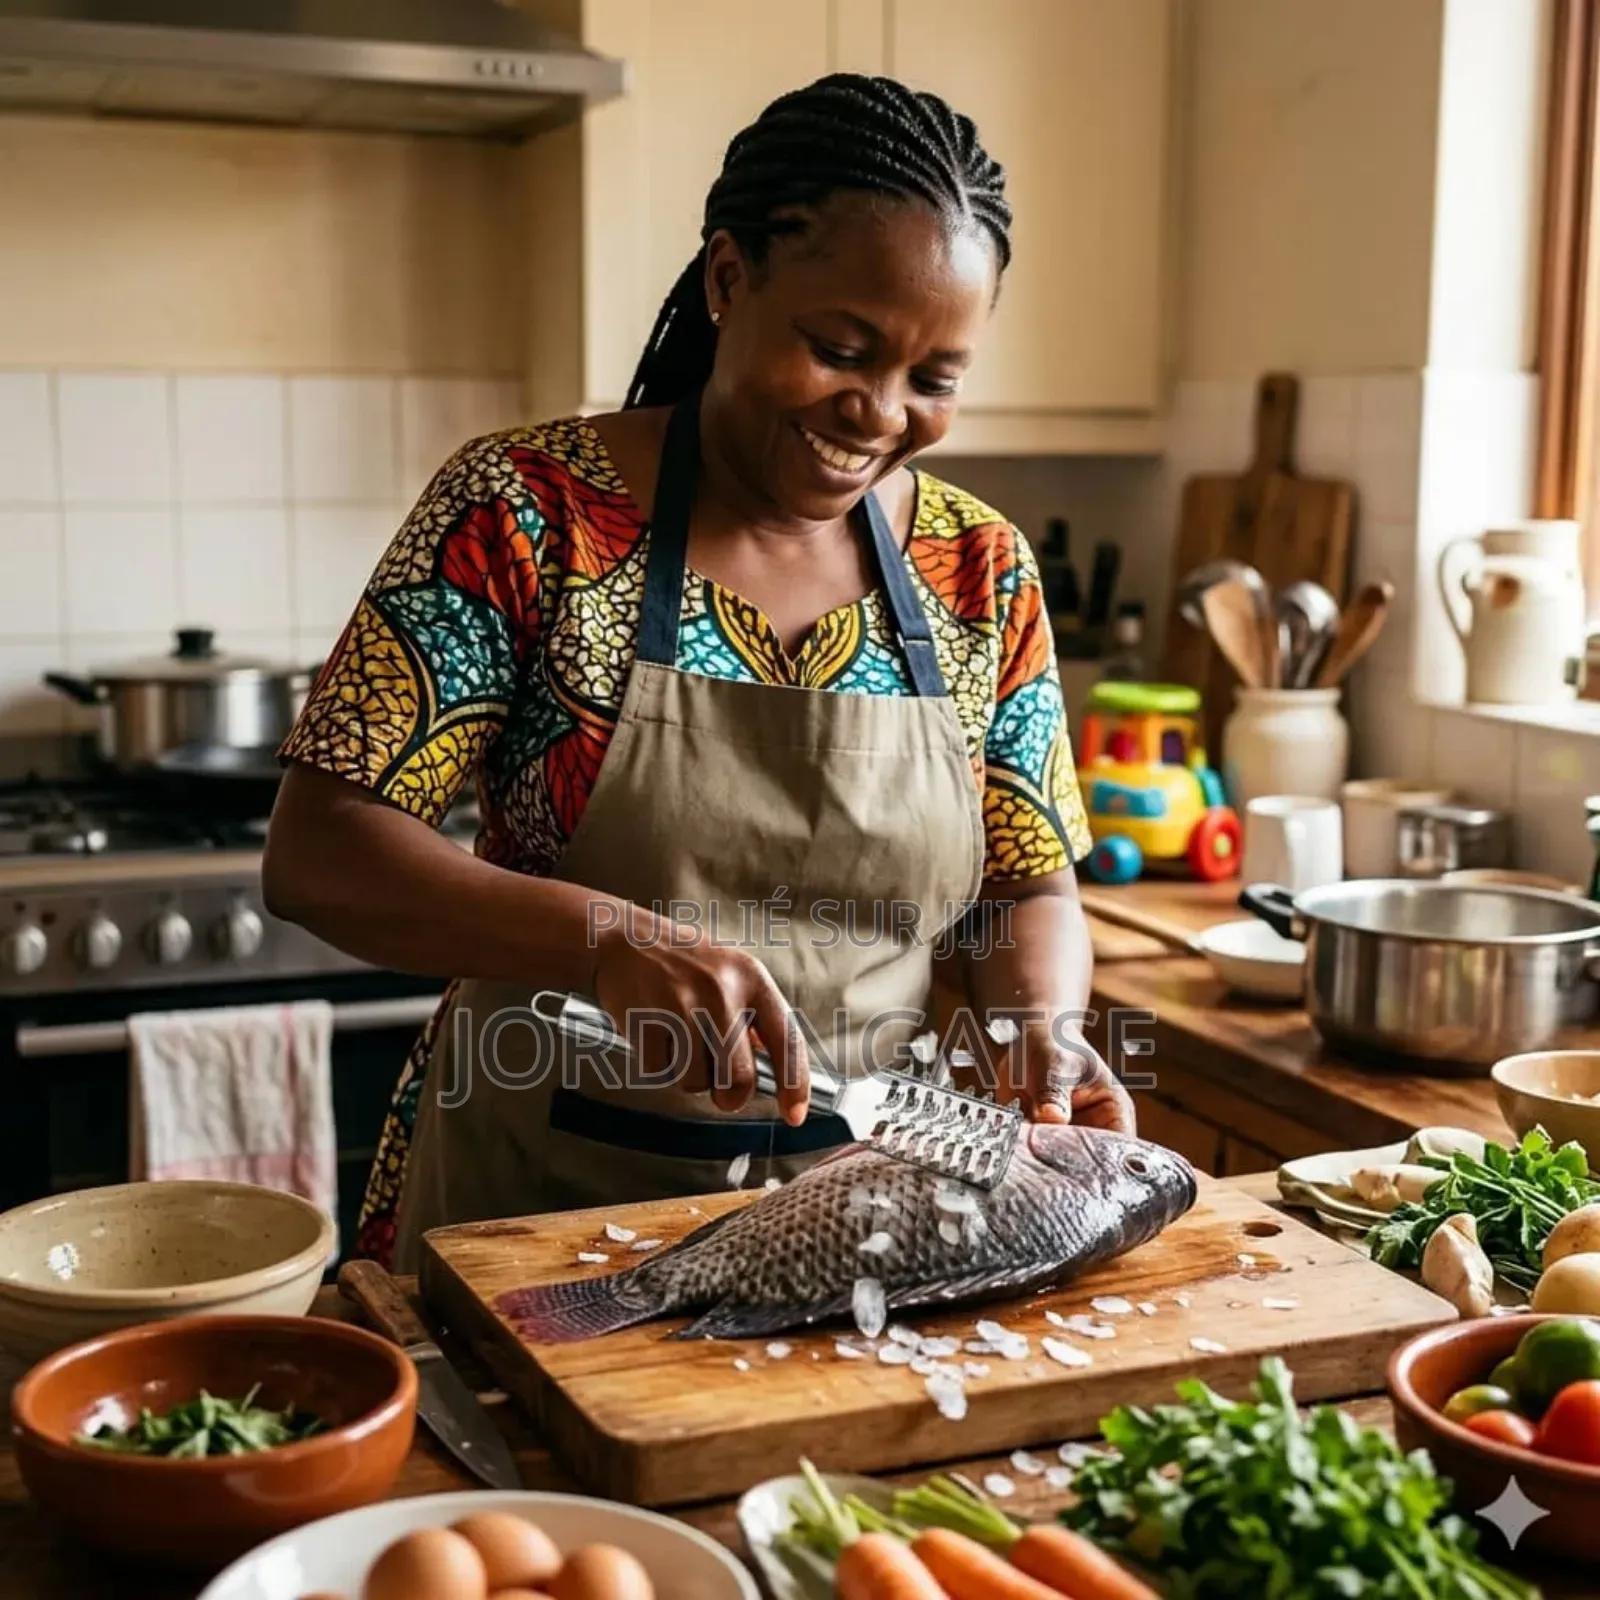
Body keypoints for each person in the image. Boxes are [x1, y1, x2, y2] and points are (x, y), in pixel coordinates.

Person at [263, 73, 1134, 1273]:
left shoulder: (978, 569)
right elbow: (319, 852)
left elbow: (1026, 889)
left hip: (863, 1209)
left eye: (934, 378)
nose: (878, 411)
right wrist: (608, 940)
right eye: (841, 348)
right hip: (531, 1208)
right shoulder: (523, 512)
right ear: (728, 280)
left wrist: (1035, 1030)